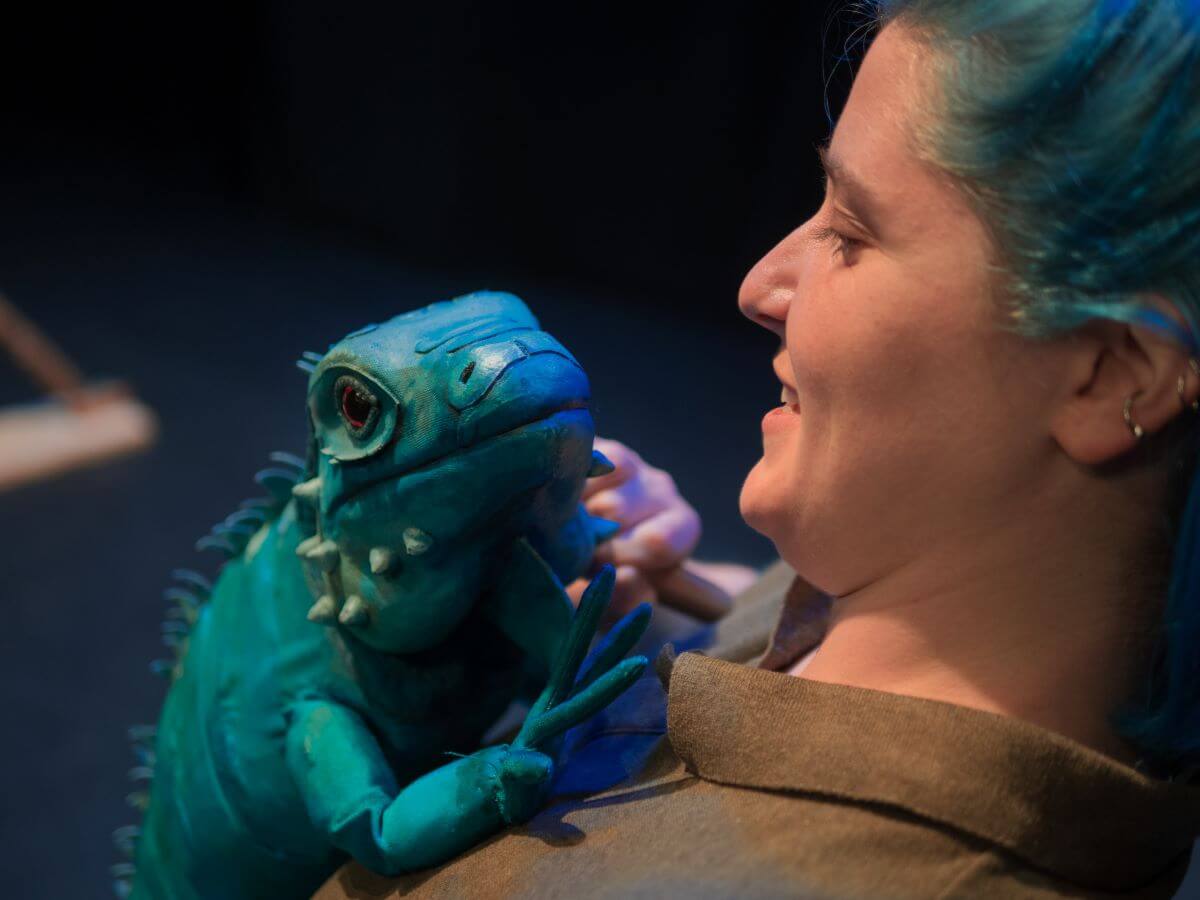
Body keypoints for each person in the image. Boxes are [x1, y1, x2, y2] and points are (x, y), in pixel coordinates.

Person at [316, 1, 1200, 896]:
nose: (760, 285)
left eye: (852, 234)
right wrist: (676, 602)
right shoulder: (898, 589)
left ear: (1111, 374)